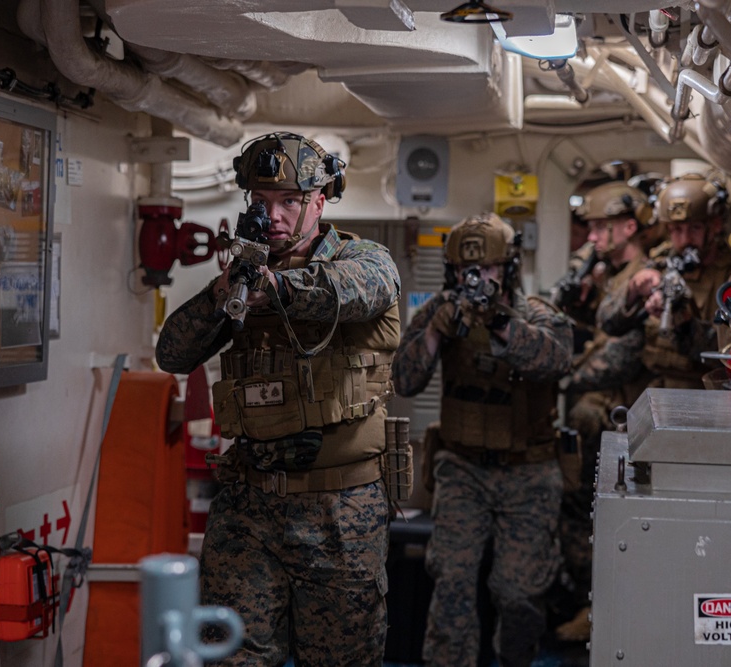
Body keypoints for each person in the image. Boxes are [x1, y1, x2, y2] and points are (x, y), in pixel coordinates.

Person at [155, 132, 401, 666]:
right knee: (228, 656)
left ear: (319, 200)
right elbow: (172, 354)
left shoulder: (366, 259)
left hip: (339, 508)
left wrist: (279, 288)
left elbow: (355, 291)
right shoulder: (242, 280)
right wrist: (225, 292)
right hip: (248, 508)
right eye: (263, 203)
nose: (275, 216)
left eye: (290, 200)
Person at [391, 213, 572, 667]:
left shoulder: (535, 313)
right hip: (463, 470)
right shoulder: (440, 312)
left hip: (528, 472)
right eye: (465, 271)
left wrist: (499, 323)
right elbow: (404, 381)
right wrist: (434, 332)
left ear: (507, 269)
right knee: (450, 581)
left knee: (518, 595)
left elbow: (556, 361)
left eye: (488, 269)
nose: (475, 278)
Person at [553, 181, 660, 641]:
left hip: (618, 414)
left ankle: (604, 609)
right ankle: (590, 602)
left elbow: (626, 352)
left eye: (601, 227)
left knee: (600, 513)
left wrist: (562, 378)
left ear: (629, 227)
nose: (593, 236)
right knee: (581, 509)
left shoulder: (644, 278)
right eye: (591, 227)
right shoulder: (609, 276)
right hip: (597, 408)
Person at [598, 172, 731, 388]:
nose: (684, 240)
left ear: (716, 225)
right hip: (654, 385)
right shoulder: (659, 263)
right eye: (676, 230)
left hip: (705, 390)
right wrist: (633, 289)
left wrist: (683, 321)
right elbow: (607, 322)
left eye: (695, 228)